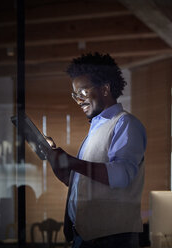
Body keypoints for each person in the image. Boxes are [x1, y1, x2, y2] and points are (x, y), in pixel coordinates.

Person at [45, 52, 146, 248]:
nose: (78, 100)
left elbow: (121, 176)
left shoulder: (125, 123)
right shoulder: (95, 130)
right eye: (75, 95)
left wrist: (72, 162)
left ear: (105, 88)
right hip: (87, 238)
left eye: (82, 92)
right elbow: (87, 185)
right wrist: (61, 168)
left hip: (112, 240)